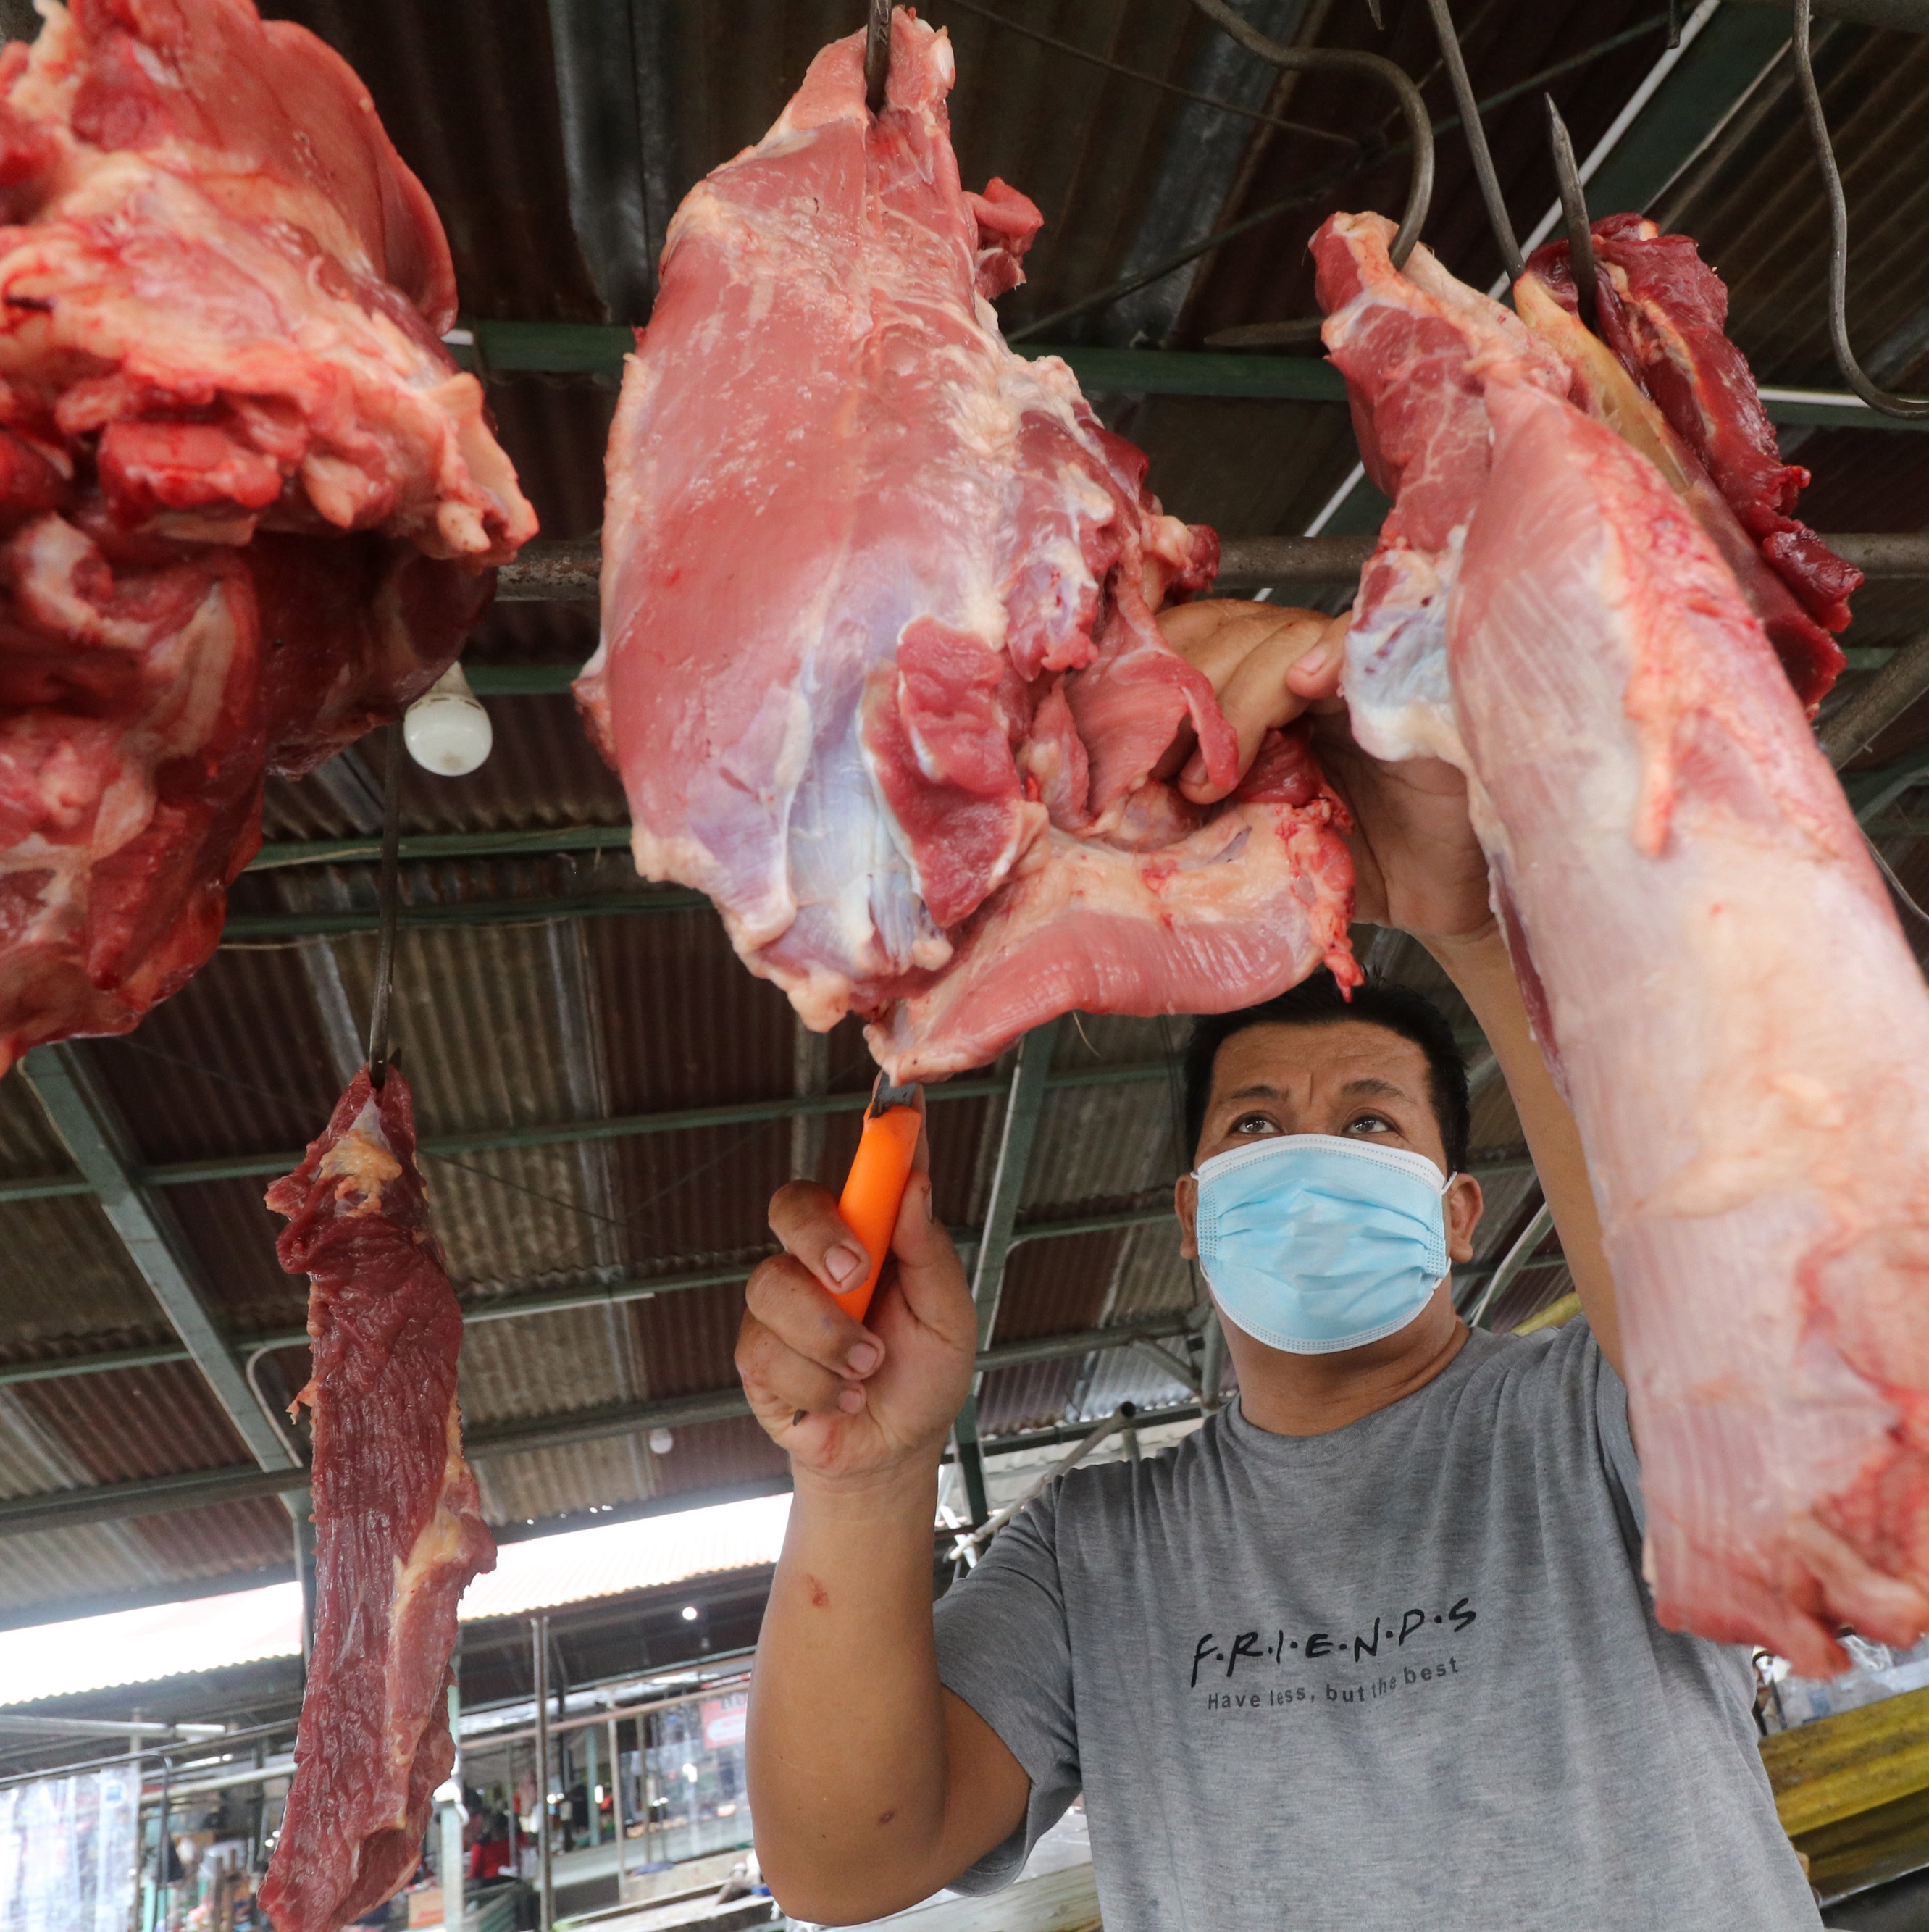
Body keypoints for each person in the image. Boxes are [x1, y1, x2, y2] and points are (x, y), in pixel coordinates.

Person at [732, 602, 1822, 1928]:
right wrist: (865, 1476)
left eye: (1369, 1120)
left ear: (1460, 1210)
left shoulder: (1587, 1423)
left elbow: (1748, 1404)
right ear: (1192, 1213)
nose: (1308, 1155)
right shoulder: (1093, 1556)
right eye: (1255, 1124)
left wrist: (1472, 920)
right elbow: (843, 1860)